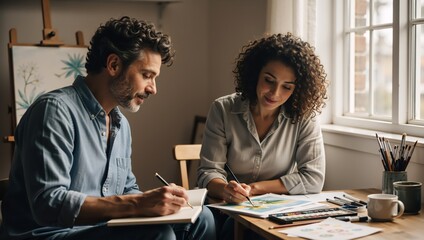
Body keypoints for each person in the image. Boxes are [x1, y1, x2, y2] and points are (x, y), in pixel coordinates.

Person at [0, 16, 215, 240]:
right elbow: (49, 204)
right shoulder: (54, 112)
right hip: (48, 234)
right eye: (147, 75)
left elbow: (126, 189)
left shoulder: (121, 125)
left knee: (202, 218)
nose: (153, 89)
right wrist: (138, 203)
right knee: (158, 234)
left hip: (98, 230)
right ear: (113, 65)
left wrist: (162, 202)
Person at [197, 32, 328, 239]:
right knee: (233, 228)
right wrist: (225, 190)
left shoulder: (304, 118)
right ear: (255, 74)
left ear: (298, 89)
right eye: (269, 80)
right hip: (225, 208)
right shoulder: (223, 109)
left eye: (287, 87)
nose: (274, 93)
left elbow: (313, 178)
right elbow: (208, 172)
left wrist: (255, 189)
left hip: (274, 212)